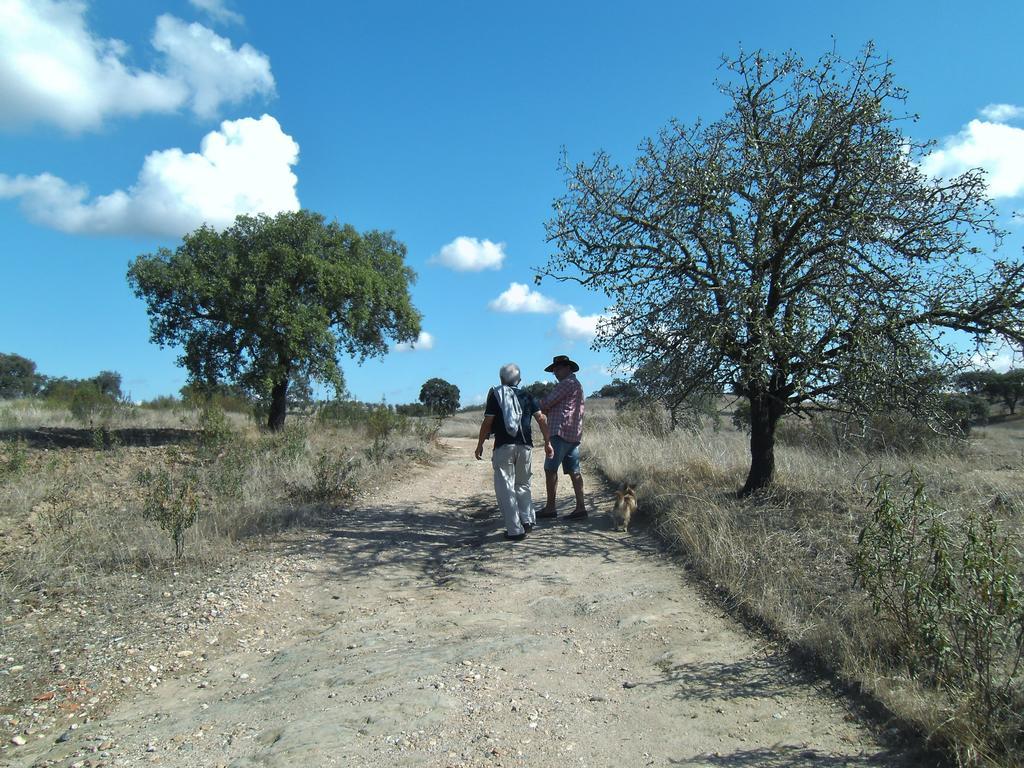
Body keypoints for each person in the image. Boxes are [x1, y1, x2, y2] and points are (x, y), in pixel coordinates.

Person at [475, 363, 554, 541]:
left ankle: (514, 530)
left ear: (501, 379)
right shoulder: (527, 395)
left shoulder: (496, 395)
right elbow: (541, 419)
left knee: (506, 489)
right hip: (525, 446)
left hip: (504, 446)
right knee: (523, 485)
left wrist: (480, 444)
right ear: (519, 379)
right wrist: (548, 442)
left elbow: (487, 423)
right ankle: (527, 520)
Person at [537, 354, 587, 520]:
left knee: (550, 469)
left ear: (568, 368)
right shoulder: (576, 385)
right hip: (573, 434)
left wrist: (535, 405)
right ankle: (581, 507)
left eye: (559, 368)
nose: (556, 372)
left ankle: (550, 508)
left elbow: (546, 403)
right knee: (574, 471)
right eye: (555, 370)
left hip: (559, 432)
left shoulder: (567, 384)